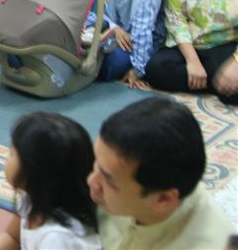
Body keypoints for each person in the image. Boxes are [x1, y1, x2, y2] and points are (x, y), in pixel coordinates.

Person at [88, 97, 232, 249]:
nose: (91, 180)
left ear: (163, 199)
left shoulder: (209, 244)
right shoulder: (116, 173)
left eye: (109, 181)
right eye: (96, 162)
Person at [0, 112, 100, 250]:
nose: (6, 158)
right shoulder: (33, 199)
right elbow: (12, 237)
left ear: (35, 171)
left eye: (12, 153)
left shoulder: (57, 238)